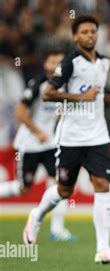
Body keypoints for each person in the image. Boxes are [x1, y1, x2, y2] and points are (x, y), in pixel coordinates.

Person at [22, 15, 110, 264]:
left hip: (98, 135)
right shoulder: (70, 63)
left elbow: (94, 92)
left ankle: (103, 248)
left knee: (102, 185)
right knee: (64, 189)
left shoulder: (103, 62)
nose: (90, 35)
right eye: (84, 32)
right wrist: (82, 99)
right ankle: (37, 216)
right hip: (71, 137)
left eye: (93, 31)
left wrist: (108, 98)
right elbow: (49, 94)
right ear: (75, 37)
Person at [0, 49, 77, 241]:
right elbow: (19, 111)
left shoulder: (66, 86)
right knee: (23, 187)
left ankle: (57, 230)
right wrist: (37, 131)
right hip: (30, 144)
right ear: (46, 64)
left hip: (50, 145)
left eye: (60, 62)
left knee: (61, 184)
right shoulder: (38, 85)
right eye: (52, 61)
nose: (56, 65)